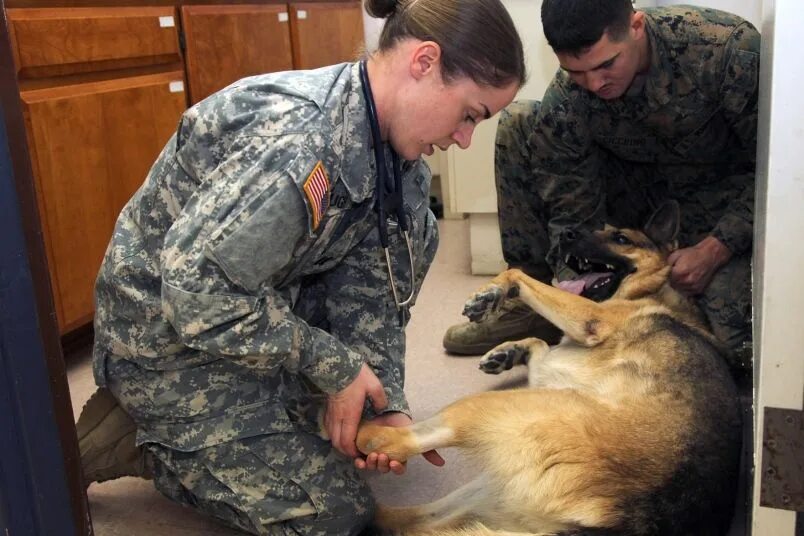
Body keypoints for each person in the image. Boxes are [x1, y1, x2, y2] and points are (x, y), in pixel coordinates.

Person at [75, 0, 524, 534]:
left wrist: (382, 402)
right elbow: (196, 295)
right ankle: (146, 439)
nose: (464, 138)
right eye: (470, 113)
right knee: (334, 513)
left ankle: (260, 411)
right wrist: (336, 367)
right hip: (167, 339)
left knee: (415, 228)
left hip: (255, 306)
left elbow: (370, 291)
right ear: (425, 61)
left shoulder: (392, 155)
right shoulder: (298, 143)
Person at [443, 0, 758, 376]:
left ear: (636, 25)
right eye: (576, 72)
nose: (594, 83)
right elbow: (569, 203)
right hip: (632, 205)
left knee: (729, 350)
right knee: (520, 122)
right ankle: (530, 303)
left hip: (719, 210)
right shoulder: (570, 97)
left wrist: (717, 247)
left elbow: (784, 169)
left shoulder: (726, 51)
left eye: (607, 64)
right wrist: (571, 291)